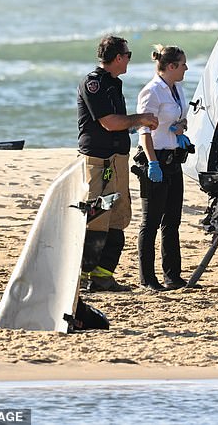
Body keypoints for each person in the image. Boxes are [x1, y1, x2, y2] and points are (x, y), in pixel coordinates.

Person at [78, 35, 158, 292]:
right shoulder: (94, 83)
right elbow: (109, 123)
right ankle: (82, 277)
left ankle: (103, 276)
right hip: (98, 161)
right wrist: (141, 119)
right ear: (118, 57)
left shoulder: (114, 83)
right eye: (128, 55)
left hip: (117, 160)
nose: (129, 60)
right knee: (95, 218)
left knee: (118, 217)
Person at [134, 45, 191, 291]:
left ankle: (173, 276)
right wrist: (152, 162)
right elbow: (144, 129)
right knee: (151, 221)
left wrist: (181, 130)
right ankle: (147, 278)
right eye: (182, 64)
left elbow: (179, 118)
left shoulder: (176, 88)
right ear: (170, 67)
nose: (186, 68)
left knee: (172, 221)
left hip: (173, 158)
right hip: (154, 159)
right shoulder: (152, 91)